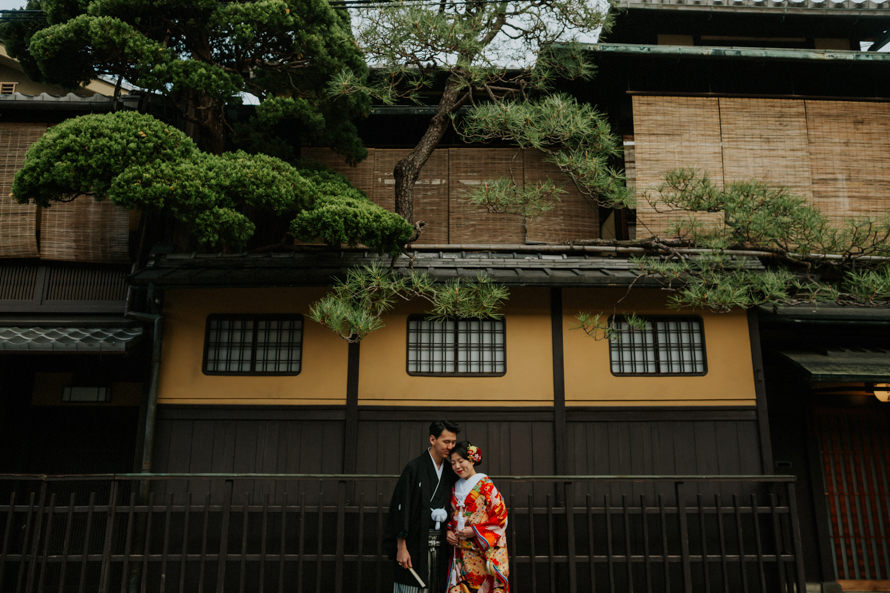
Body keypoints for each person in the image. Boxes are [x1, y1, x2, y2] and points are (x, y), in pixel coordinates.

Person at [387, 420, 460, 593]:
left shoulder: (450, 471)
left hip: (442, 542)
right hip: (414, 542)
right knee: (413, 585)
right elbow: (401, 507)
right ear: (432, 439)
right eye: (446, 441)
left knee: (438, 584)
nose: (450, 446)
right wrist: (401, 547)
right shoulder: (414, 468)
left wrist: (452, 529)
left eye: (453, 442)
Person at [445, 441, 509, 593]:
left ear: (472, 459)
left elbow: (501, 517)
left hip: (483, 551)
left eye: (461, 461)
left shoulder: (486, 485)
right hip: (461, 551)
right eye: (453, 463)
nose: (457, 466)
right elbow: (452, 515)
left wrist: (474, 531)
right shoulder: (455, 487)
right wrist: (449, 531)